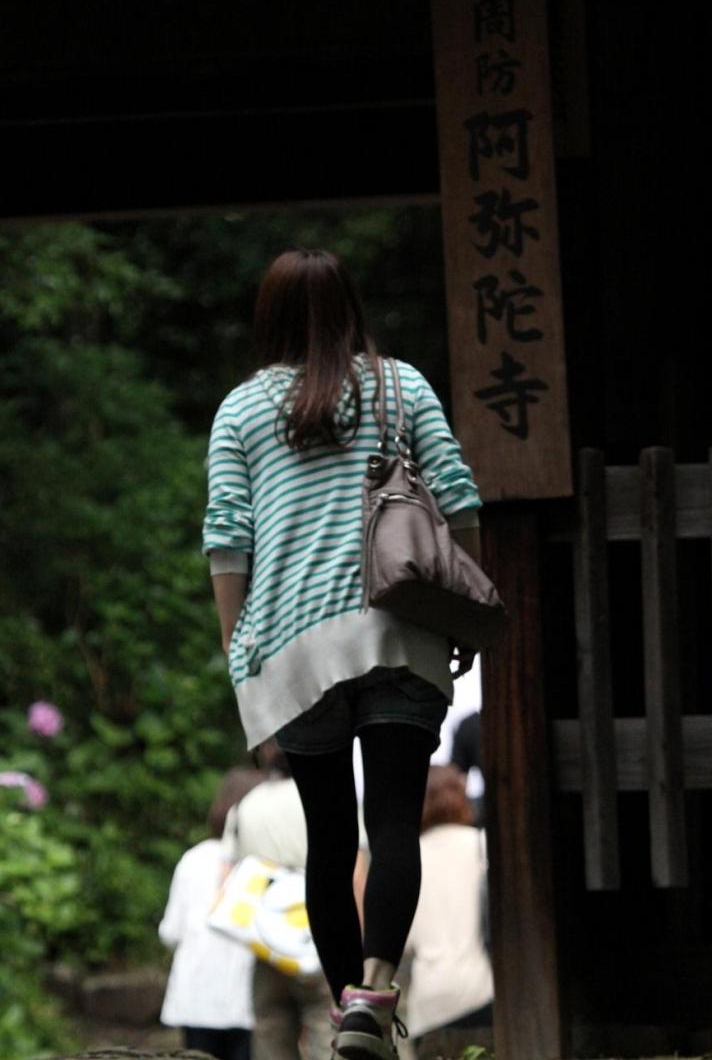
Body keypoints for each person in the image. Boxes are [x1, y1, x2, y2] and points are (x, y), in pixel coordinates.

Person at [203, 248, 483, 1060]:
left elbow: (227, 540)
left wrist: (238, 654)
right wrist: (462, 614)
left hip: (290, 648)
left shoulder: (241, 409)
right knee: (393, 822)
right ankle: (375, 993)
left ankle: (344, 1015)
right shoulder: (401, 386)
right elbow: (458, 498)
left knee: (328, 841)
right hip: (400, 631)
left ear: (268, 317)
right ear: (350, 307)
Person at [219, 741, 359, 1060]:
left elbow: (228, 877)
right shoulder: (329, 797)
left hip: (265, 939)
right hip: (320, 931)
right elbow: (356, 874)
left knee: (271, 1027)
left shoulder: (245, 805)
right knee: (327, 1023)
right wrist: (360, 940)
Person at [157, 766, 265, 1059]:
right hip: (244, 999)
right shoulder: (262, 864)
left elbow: (170, 932)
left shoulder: (193, 859)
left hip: (195, 996)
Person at [404, 765, 493, 1055]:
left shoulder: (404, 861)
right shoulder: (482, 845)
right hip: (482, 990)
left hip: (427, 1005)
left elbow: (401, 943)